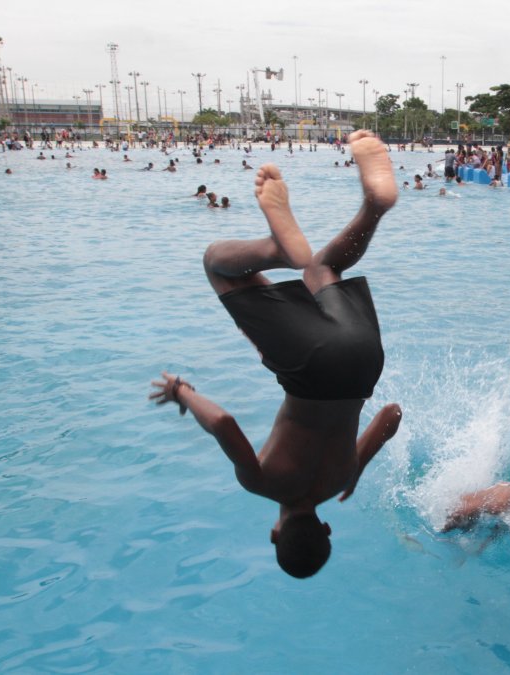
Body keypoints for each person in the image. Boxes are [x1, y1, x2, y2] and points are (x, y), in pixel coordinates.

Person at [150, 130, 402, 579]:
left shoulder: (339, 480)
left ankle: (375, 206)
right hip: (310, 372)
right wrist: (180, 392)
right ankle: (275, 250)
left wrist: (357, 470)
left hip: (364, 364)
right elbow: (224, 425)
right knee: (216, 264)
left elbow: (392, 415)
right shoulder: (261, 482)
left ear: (326, 529)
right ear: (274, 535)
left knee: (323, 268)